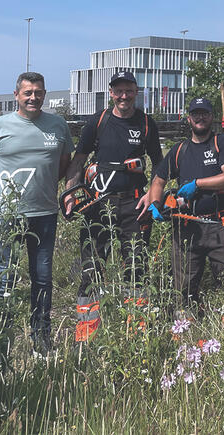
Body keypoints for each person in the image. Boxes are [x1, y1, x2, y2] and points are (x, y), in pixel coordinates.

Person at [0, 72, 73, 355]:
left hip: (44, 214)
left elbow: (64, 165)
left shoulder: (57, 126)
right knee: (4, 277)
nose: (33, 97)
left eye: (38, 92)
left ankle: (41, 340)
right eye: (28, 92)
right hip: (6, 216)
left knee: (42, 278)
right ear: (16, 95)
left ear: (45, 95)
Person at [63, 70, 162, 342]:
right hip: (97, 205)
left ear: (136, 92)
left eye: (129, 90)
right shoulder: (98, 122)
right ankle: (86, 336)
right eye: (118, 90)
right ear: (111, 93)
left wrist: (152, 194)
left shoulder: (146, 124)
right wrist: (71, 191)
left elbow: (159, 165)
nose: (124, 96)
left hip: (134, 205)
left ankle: (137, 334)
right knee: (91, 269)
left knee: (136, 268)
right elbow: (78, 160)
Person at [144, 97, 224, 312]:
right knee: (183, 287)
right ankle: (184, 332)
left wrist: (197, 185)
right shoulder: (179, 150)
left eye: (204, 113)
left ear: (211, 116)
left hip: (221, 224)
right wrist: (155, 203)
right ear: (189, 118)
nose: (200, 117)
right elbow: (158, 181)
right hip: (187, 227)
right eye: (195, 113)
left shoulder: (221, 143)